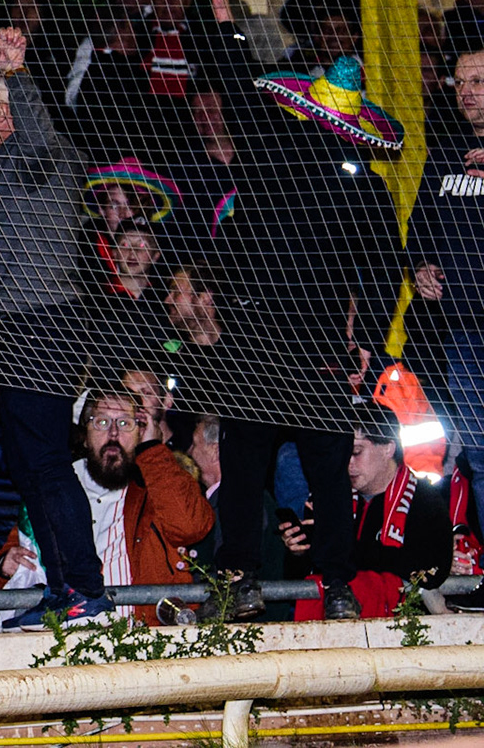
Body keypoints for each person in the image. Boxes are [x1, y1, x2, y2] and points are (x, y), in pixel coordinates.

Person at [207, 56, 408, 622]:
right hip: (297, 352)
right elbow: (384, 270)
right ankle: (324, 583)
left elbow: (236, 90)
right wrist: (365, 340)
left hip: (274, 350)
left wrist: (223, 26)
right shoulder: (353, 181)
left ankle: (256, 577)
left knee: (258, 470)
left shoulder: (277, 155)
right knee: (307, 473)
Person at [0, 26, 111, 628]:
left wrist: (18, 74)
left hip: (43, 325)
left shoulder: (40, 155)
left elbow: (39, 130)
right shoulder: (5, 166)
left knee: (47, 465)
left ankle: (85, 585)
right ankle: (65, 586)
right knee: (30, 468)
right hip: (19, 329)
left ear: (1, 107)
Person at [0, 388, 213, 625]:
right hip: (64, 635)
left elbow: (191, 526)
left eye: (126, 423)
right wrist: (5, 565)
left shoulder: (157, 482)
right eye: (102, 422)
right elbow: (9, 560)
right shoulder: (53, 487)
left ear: (141, 431)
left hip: (142, 635)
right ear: (84, 434)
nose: (114, 432)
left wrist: (152, 448)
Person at [285, 409, 453, 619]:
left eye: (356, 452)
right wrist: (298, 553)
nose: (348, 464)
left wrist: (338, 550)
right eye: (343, 455)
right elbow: (299, 579)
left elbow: (430, 569)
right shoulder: (329, 499)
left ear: (388, 448)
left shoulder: (425, 499)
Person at [409, 46, 484, 451]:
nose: (466, 92)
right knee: (478, 452)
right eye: (460, 82)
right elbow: (419, 225)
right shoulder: (444, 155)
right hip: (462, 326)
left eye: (478, 82)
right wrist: (420, 267)